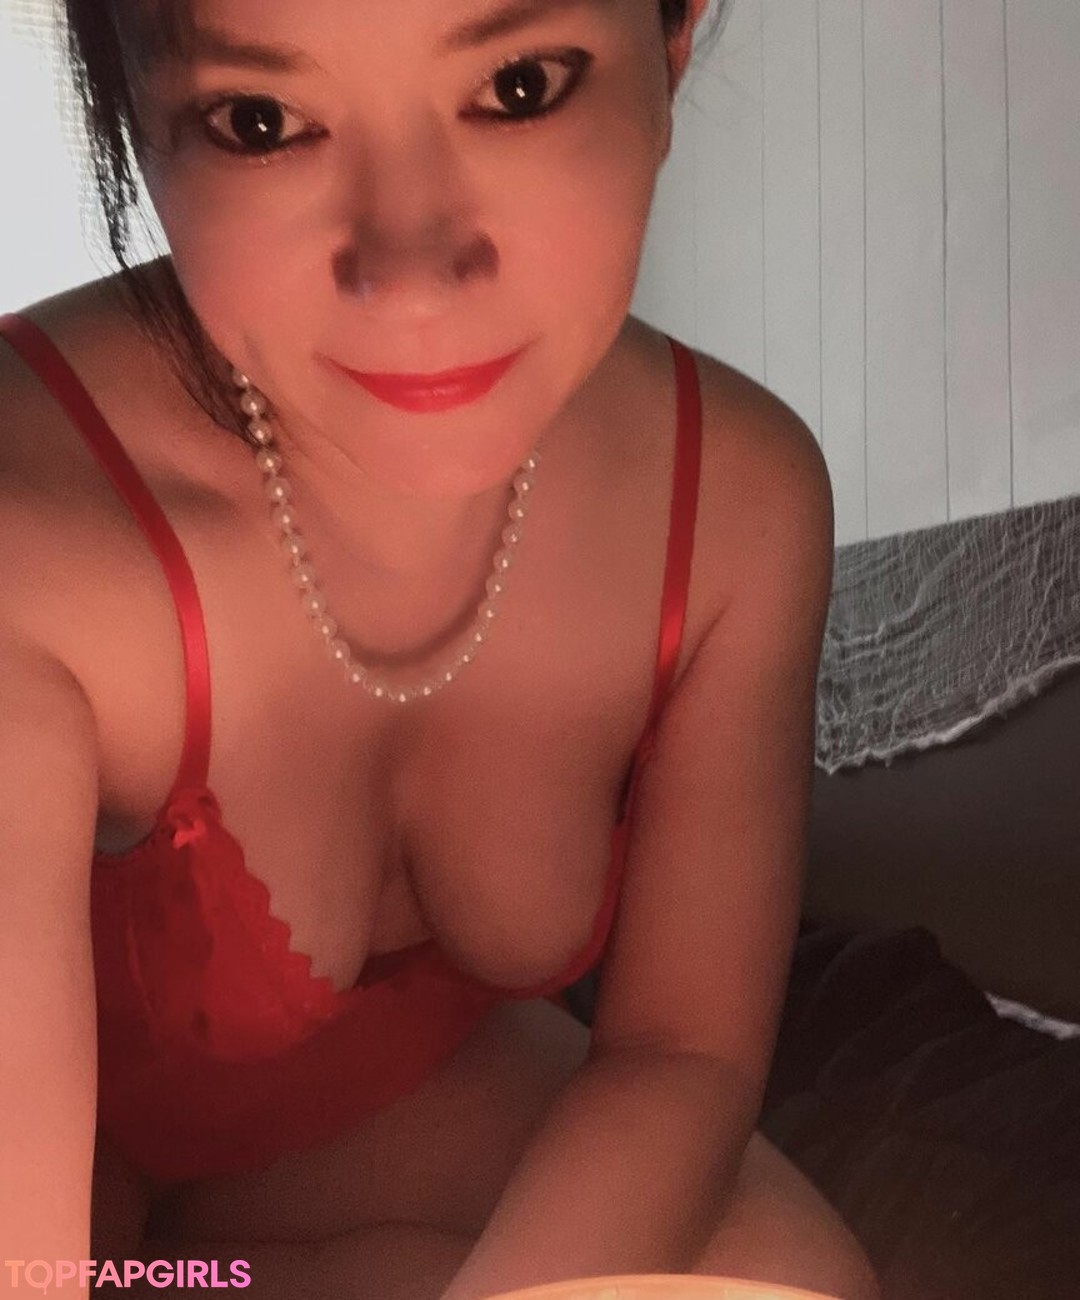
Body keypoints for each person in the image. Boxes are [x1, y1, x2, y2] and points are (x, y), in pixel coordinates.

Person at [0, 1, 878, 1297]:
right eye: (260, 121)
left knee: (790, 1280)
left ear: (673, 38)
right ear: (135, 112)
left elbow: (683, 1054)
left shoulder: (737, 502)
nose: (411, 273)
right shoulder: (32, 527)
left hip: (387, 1112)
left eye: (521, 85)